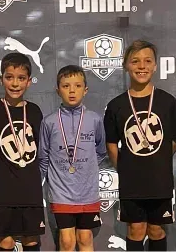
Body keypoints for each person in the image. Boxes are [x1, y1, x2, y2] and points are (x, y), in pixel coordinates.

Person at [104, 40, 176, 251]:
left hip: (159, 181)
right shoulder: (116, 105)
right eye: (135, 61)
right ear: (126, 65)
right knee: (135, 230)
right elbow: (111, 144)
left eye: (147, 61)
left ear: (155, 66)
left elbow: (173, 140)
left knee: (157, 230)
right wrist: (128, 168)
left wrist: (158, 160)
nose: (141, 66)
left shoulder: (167, 102)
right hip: (132, 183)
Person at [39, 65, 107, 251]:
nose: (71, 90)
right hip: (61, 192)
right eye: (66, 86)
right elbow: (43, 157)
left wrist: (88, 169)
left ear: (85, 90)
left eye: (77, 86)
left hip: (88, 191)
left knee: (85, 238)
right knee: (67, 241)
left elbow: (101, 151)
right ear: (57, 90)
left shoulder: (94, 119)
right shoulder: (49, 121)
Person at [0, 53, 45, 251]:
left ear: (29, 81)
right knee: (6, 241)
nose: (15, 83)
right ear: (1, 79)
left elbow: (40, 149)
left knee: (31, 240)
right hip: (3, 192)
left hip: (30, 190)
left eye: (21, 78)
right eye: (9, 77)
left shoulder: (35, 111)